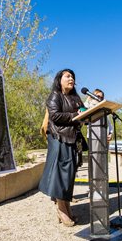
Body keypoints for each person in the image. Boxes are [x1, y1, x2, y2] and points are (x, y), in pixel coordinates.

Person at [38, 69, 84, 227]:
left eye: (73, 76)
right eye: (68, 76)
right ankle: (61, 209)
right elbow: (55, 116)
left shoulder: (76, 98)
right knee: (59, 173)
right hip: (58, 138)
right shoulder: (55, 95)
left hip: (72, 139)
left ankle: (66, 206)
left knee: (69, 174)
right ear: (60, 80)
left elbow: (82, 114)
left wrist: (85, 114)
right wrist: (74, 116)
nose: (71, 78)